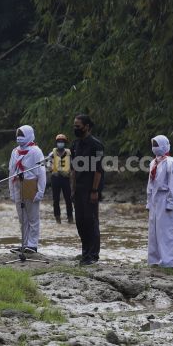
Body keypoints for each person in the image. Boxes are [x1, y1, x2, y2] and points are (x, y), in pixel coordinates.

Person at [71, 114, 104, 266]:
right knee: (80, 222)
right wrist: (72, 189)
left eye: (78, 126)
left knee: (91, 221)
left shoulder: (96, 145)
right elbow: (73, 170)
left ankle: (93, 255)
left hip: (90, 189)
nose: (75, 128)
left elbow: (98, 170)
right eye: (75, 126)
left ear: (87, 126)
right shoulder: (75, 144)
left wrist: (94, 191)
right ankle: (85, 252)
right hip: (78, 190)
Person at [8, 125, 46, 254]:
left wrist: (40, 191)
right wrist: (12, 191)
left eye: (22, 135)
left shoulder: (36, 151)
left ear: (29, 135)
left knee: (33, 218)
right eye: (18, 135)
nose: (19, 138)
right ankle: (24, 243)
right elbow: (11, 172)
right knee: (22, 218)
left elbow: (41, 173)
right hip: (17, 184)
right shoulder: (15, 151)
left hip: (31, 185)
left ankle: (32, 244)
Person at [146, 135, 173, 268]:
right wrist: (149, 202)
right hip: (155, 199)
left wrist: (170, 202)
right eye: (153, 144)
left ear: (165, 145)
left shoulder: (171, 162)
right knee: (154, 231)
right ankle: (155, 259)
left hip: (165, 197)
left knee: (167, 231)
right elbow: (150, 184)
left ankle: (170, 261)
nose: (155, 147)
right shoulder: (153, 163)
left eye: (157, 144)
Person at [50, 134, 73, 224]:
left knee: (68, 199)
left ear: (65, 143)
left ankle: (70, 218)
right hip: (55, 179)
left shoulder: (69, 154)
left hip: (65, 179)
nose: (60, 143)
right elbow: (48, 166)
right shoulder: (52, 154)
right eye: (59, 142)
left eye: (62, 142)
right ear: (56, 143)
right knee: (56, 200)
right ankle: (57, 219)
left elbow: (72, 166)